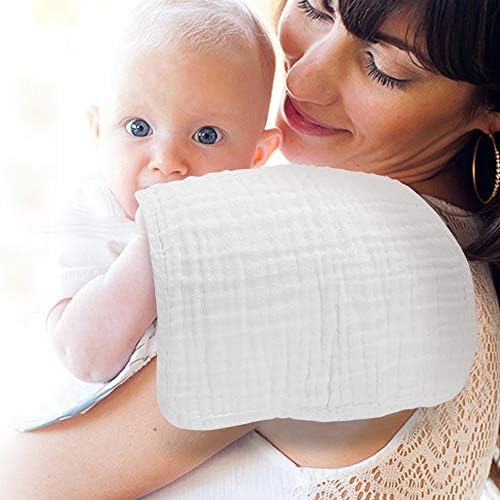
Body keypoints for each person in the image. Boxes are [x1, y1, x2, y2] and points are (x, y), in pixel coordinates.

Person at [1, 0, 498, 498]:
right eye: (315, 8)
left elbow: (22, 484)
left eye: (384, 67)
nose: (301, 79)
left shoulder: (332, 251)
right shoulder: (465, 265)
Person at [41, 0, 281, 393]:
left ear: (256, 155)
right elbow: (83, 357)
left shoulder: (255, 227)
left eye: (206, 136)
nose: (167, 161)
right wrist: (153, 248)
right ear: (98, 130)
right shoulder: (89, 214)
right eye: (138, 127)